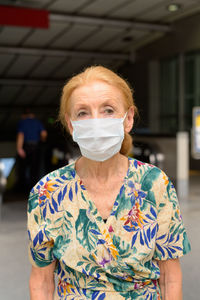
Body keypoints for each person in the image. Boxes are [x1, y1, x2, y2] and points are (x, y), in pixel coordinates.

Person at [28, 66, 191, 300]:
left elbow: (170, 277)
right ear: (71, 124)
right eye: (83, 113)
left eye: (108, 110)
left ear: (129, 119)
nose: (96, 122)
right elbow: (41, 281)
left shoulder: (155, 184)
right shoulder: (47, 192)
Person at [16, 109, 47, 190]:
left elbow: (20, 135)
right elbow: (44, 133)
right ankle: (35, 189)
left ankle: (23, 189)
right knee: (35, 169)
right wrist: (42, 140)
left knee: (23, 168)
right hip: (36, 147)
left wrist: (19, 148)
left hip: (26, 147)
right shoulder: (37, 122)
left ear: (23, 115)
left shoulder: (22, 122)